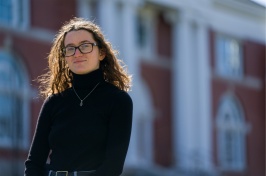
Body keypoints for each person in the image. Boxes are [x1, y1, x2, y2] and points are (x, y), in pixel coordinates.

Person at [24, 17, 133, 176]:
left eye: (85, 46)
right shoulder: (53, 102)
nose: (77, 53)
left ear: (101, 53)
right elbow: (33, 163)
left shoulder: (118, 101)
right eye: (70, 48)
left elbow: (113, 167)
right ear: (65, 57)